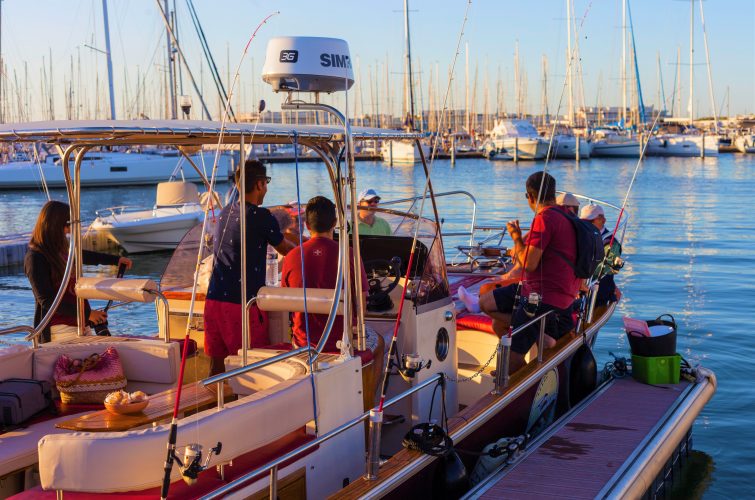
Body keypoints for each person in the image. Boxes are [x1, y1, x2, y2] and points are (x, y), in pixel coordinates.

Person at [479, 171, 581, 373]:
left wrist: (516, 237)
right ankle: (536, 332)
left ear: (531, 197)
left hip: (541, 297)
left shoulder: (545, 218)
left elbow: (529, 264)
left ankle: (520, 370)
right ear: (553, 193)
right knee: (489, 308)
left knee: (509, 362)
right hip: (561, 294)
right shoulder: (566, 215)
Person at [204, 160, 294, 376]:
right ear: (260, 184)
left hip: (214, 300)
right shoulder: (261, 217)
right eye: (267, 182)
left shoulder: (226, 212)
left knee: (217, 367)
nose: (267, 188)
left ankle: (215, 406)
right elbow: (287, 251)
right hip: (241, 305)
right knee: (250, 369)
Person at [25, 200, 132, 343]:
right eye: (68, 224)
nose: (70, 229)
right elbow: (47, 301)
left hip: (80, 323)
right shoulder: (35, 258)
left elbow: (81, 255)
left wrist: (116, 260)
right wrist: (88, 314)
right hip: (59, 328)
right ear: (57, 224)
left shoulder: (60, 251)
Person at [281, 196, 368, 352]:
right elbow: (362, 307)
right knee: (379, 341)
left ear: (307, 225)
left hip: (302, 345)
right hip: (342, 344)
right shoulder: (349, 255)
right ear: (334, 223)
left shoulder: (292, 256)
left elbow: (286, 301)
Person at [580, 204, 622, 306]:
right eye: (583, 222)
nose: (586, 225)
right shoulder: (582, 236)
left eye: (590, 222)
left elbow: (603, 271)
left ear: (603, 220)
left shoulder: (612, 244)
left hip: (597, 295)